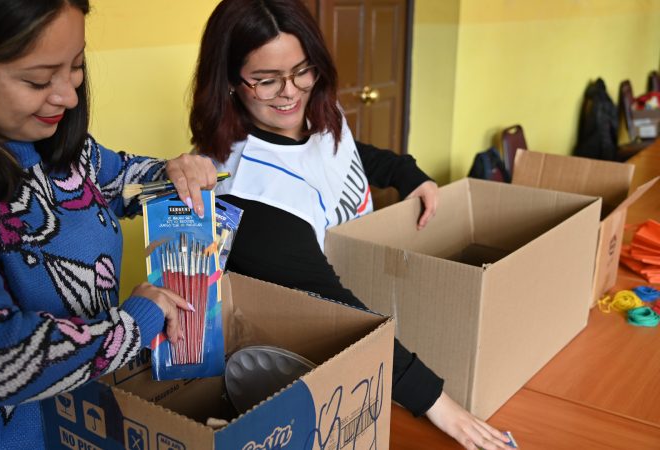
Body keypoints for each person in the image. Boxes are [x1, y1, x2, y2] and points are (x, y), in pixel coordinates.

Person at [0, 1, 216, 448]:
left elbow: (119, 179)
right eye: (38, 79)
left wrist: (173, 175)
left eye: (77, 65)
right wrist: (133, 323)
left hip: (71, 427)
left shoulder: (54, 144)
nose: (67, 96)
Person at [189, 1, 511, 449]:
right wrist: (443, 407)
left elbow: (348, 153)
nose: (289, 92)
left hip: (374, 309)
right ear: (228, 82)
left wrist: (406, 174)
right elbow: (343, 317)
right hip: (312, 363)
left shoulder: (314, 113)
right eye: (265, 80)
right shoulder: (248, 194)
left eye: (303, 70)